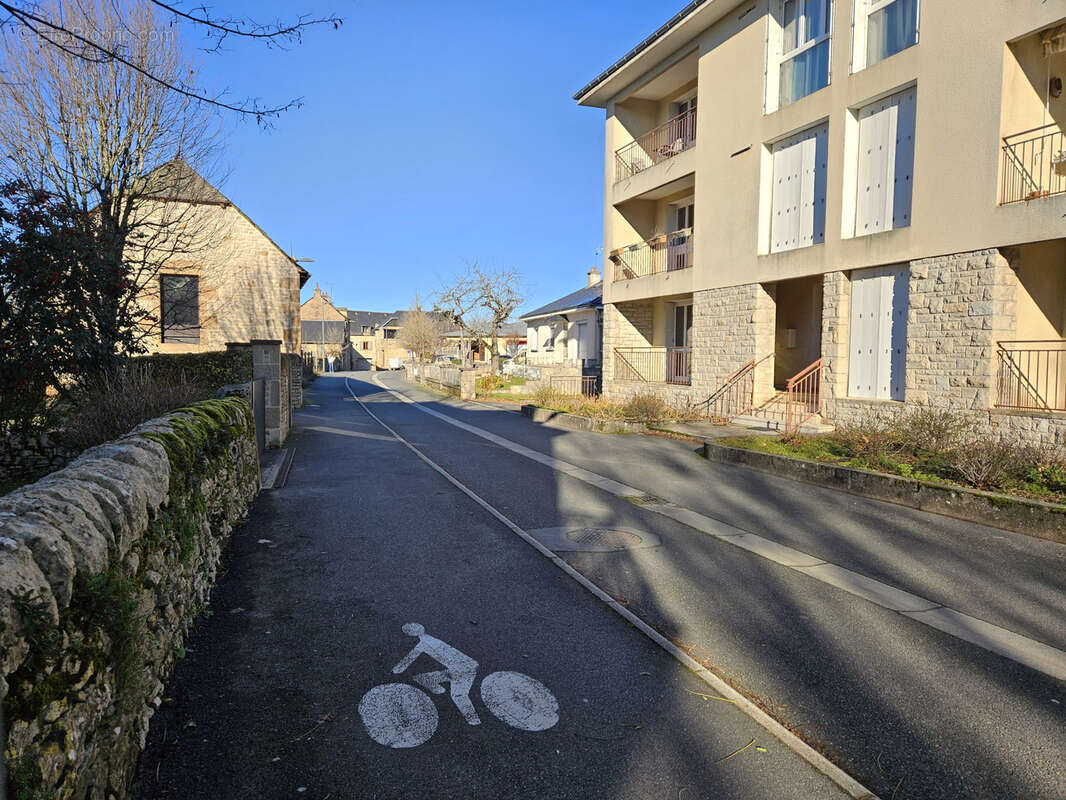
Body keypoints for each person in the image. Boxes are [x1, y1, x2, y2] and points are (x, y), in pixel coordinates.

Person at [392, 623, 481, 725]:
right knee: (423, 678)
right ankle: (439, 690)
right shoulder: (430, 639)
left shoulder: (424, 643)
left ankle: (474, 720)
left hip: (464, 669)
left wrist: (397, 669)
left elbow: (409, 658)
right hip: (460, 668)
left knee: (458, 695)